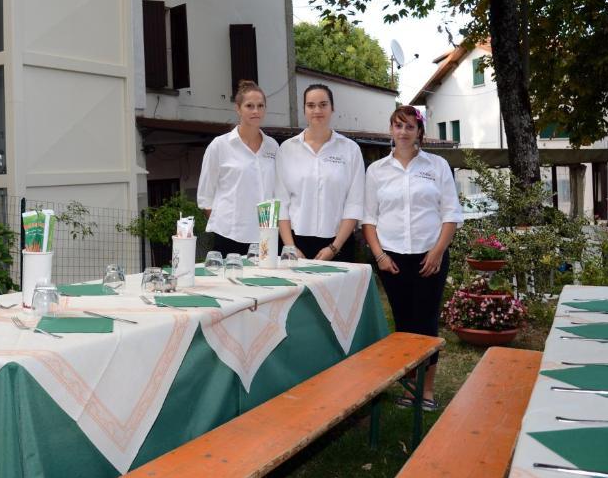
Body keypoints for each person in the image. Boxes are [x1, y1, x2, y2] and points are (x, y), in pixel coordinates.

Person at [362, 105, 462, 410]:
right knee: (404, 325)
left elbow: (451, 214)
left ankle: (427, 391)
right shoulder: (376, 171)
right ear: (391, 130)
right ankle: (409, 389)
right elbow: (369, 219)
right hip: (391, 259)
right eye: (397, 126)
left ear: (419, 131)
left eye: (409, 127)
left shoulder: (437, 166)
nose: (403, 132)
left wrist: (437, 251)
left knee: (427, 322)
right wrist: (379, 255)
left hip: (430, 256)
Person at [276, 84, 364, 262]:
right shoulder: (286, 149)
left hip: (338, 244)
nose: (317, 110)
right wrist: (290, 247)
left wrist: (334, 247)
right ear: (304, 110)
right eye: (311, 105)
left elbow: (355, 203)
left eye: (323, 104)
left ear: (332, 108)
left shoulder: (350, 150)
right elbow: (281, 202)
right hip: (294, 244)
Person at [197, 80, 278, 256]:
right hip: (230, 236)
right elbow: (205, 195)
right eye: (249, 106)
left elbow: (276, 191)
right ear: (238, 108)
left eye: (260, 106)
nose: (256, 111)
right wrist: (226, 225)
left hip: (266, 235)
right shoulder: (220, 145)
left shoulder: (273, 146)